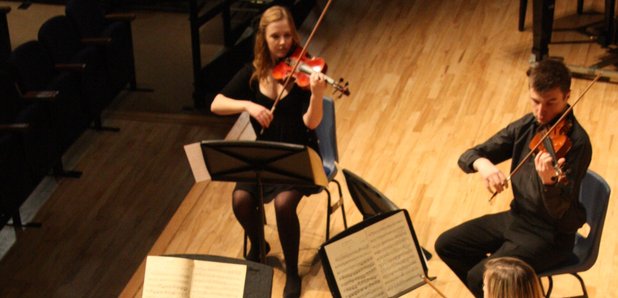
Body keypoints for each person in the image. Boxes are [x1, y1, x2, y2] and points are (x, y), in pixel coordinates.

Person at [434, 59, 592, 297]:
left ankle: (500, 289)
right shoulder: (528, 125)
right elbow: (470, 155)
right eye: (535, 102)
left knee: (479, 276)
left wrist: (549, 183)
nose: (541, 112)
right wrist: (483, 165)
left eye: (551, 103)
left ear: (567, 96)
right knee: (447, 245)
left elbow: (563, 213)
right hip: (518, 216)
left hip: (550, 235)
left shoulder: (577, 144)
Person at [210, 5, 327, 298]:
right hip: (264, 153)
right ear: (264, 38)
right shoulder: (253, 73)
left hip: (299, 154)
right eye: (276, 36)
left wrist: (316, 94)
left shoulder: (305, 70)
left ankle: (293, 274)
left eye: (288, 35)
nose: (284, 42)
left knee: (284, 205)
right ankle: (260, 246)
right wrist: (247, 105)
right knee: (240, 201)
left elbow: (310, 123)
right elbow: (216, 103)